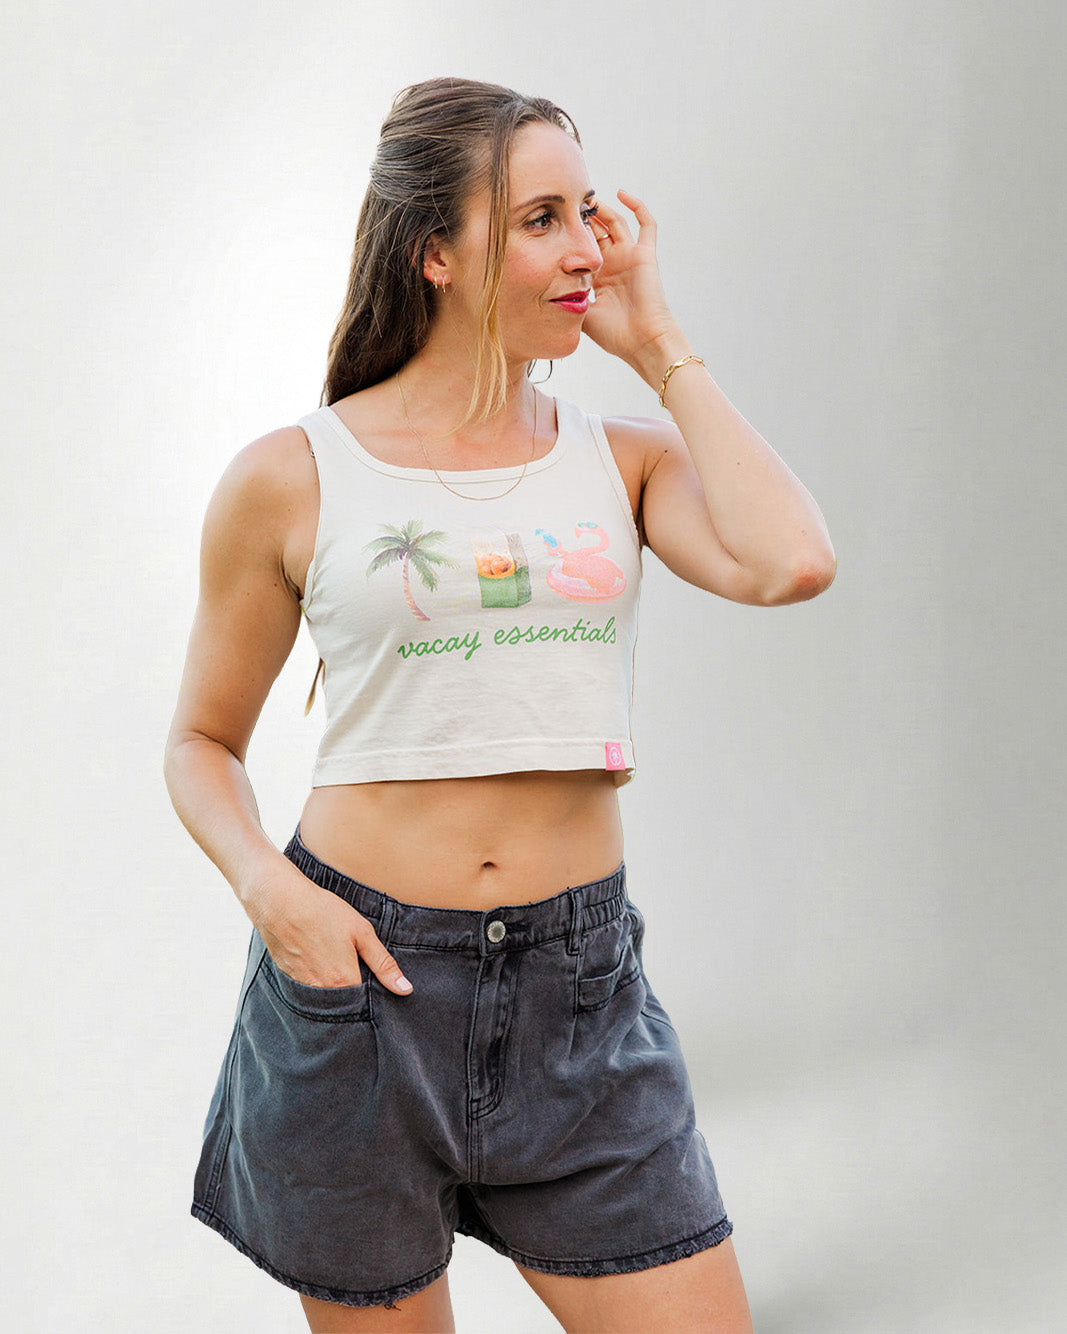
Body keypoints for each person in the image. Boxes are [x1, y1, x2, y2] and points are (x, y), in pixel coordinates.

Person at [165, 76, 834, 1333]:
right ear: (434, 251)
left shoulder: (620, 454)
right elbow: (201, 742)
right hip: (359, 983)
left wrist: (658, 345)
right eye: (539, 219)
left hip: (577, 995)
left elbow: (788, 560)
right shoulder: (289, 476)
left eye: (587, 213)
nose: (585, 248)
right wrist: (276, 897)